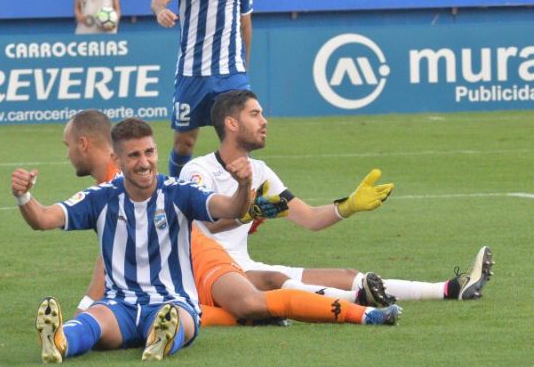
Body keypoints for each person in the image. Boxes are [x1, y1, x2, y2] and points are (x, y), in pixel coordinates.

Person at [62, 109, 401, 329]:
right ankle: (259, 318)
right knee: (175, 315)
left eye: (67, 146)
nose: (66, 154)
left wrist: (84, 312)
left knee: (254, 300)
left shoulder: (119, 176)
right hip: (176, 268)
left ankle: (364, 312)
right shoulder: (111, 185)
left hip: (197, 256)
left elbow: (108, 260)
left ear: (83, 145)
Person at [180, 90, 494, 303]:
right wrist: (248, 213)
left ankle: (451, 289)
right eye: (255, 114)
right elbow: (197, 230)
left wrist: (348, 207)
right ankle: (360, 301)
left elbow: (310, 219)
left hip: (244, 266)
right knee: (276, 278)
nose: (264, 121)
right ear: (231, 123)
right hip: (212, 274)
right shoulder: (198, 170)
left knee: (348, 276)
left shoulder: (259, 170)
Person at [12, 117, 254, 363]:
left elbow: (232, 208)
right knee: (93, 321)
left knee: (180, 318)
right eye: (134, 155)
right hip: (119, 306)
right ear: (116, 160)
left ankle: (161, 337)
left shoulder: (179, 193)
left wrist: (243, 185)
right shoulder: (101, 198)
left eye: (149, 152)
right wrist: (24, 197)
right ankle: (60, 341)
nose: (144, 162)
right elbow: (42, 219)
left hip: (172, 299)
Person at [151, 0, 253, 178]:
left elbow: (245, 24)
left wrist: (244, 68)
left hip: (231, 74)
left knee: (240, 139)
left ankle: (242, 205)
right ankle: (176, 197)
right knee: (184, 143)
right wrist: (161, 10)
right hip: (192, 74)